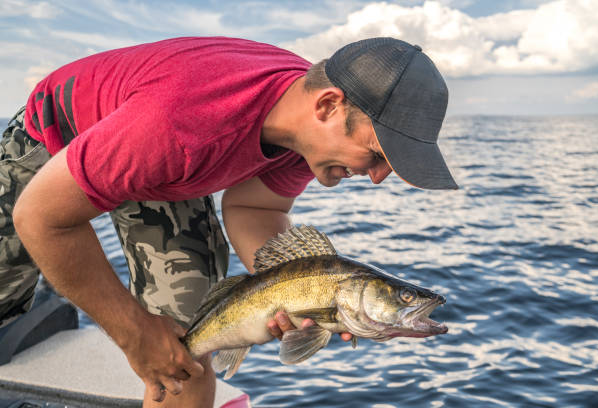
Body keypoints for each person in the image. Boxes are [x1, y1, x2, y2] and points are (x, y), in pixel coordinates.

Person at [0, 37, 457, 407]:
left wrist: (288, 296)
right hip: (63, 138)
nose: (378, 177)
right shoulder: (180, 122)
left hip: (166, 169)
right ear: (327, 107)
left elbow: (255, 209)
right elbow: (41, 219)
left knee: (189, 346)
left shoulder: (308, 138)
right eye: (377, 155)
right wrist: (134, 333)